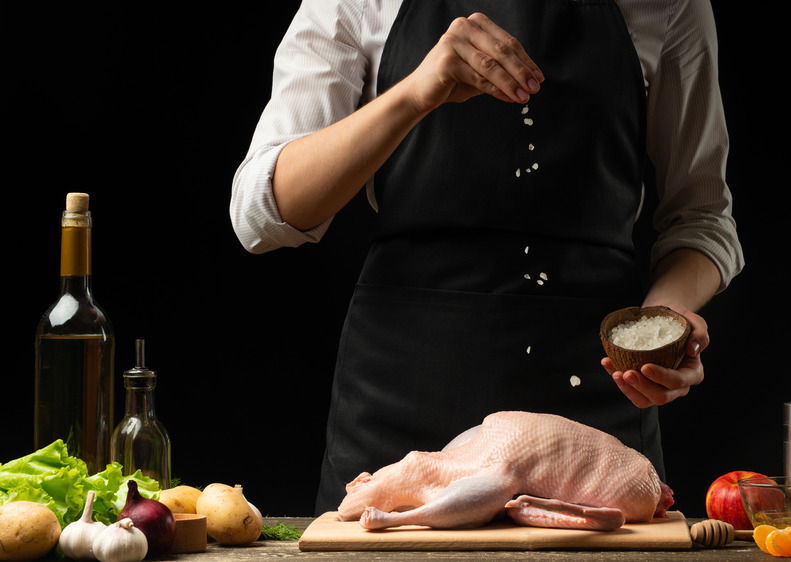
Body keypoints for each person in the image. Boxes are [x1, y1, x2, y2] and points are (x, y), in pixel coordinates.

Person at [231, 0, 744, 514]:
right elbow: (261, 213)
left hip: (592, 420)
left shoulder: (670, 5)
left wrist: (666, 320)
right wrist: (414, 94)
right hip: (400, 395)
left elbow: (701, 216)